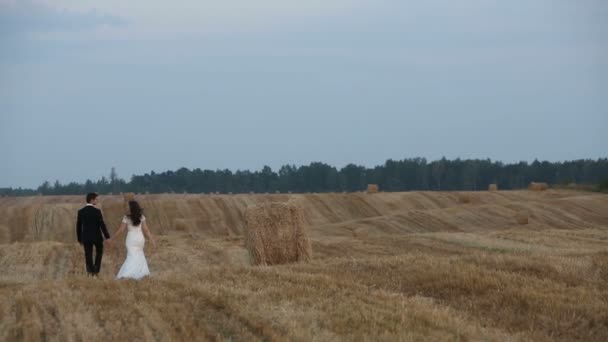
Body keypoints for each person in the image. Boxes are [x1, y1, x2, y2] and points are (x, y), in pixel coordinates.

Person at [109, 200, 156, 279]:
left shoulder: (126, 217)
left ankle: (128, 273)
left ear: (131, 207)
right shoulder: (141, 217)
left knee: (131, 255)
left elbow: (121, 230)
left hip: (131, 238)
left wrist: (112, 238)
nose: (127, 207)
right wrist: (152, 240)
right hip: (140, 238)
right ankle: (141, 272)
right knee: (140, 254)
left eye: (128, 206)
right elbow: (146, 230)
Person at [76, 192, 110, 276]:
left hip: (86, 237)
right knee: (99, 252)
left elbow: (78, 226)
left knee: (88, 254)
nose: (97, 201)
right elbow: (102, 225)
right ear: (92, 200)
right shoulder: (97, 211)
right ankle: (96, 270)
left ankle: (90, 271)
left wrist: (79, 239)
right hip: (97, 237)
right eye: (96, 199)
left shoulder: (81, 211)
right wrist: (107, 236)